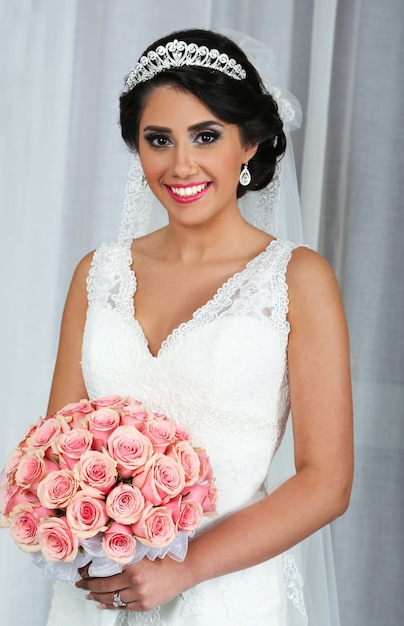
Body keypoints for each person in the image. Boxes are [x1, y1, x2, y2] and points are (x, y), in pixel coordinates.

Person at [45, 28, 353, 626]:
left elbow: (327, 482)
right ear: (137, 148)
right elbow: (56, 448)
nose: (181, 163)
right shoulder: (98, 273)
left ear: (250, 144)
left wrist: (185, 569)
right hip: (101, 594)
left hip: (229, 596)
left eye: (205, 136)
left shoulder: (297, 279)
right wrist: (80, 537)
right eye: (159, 139)